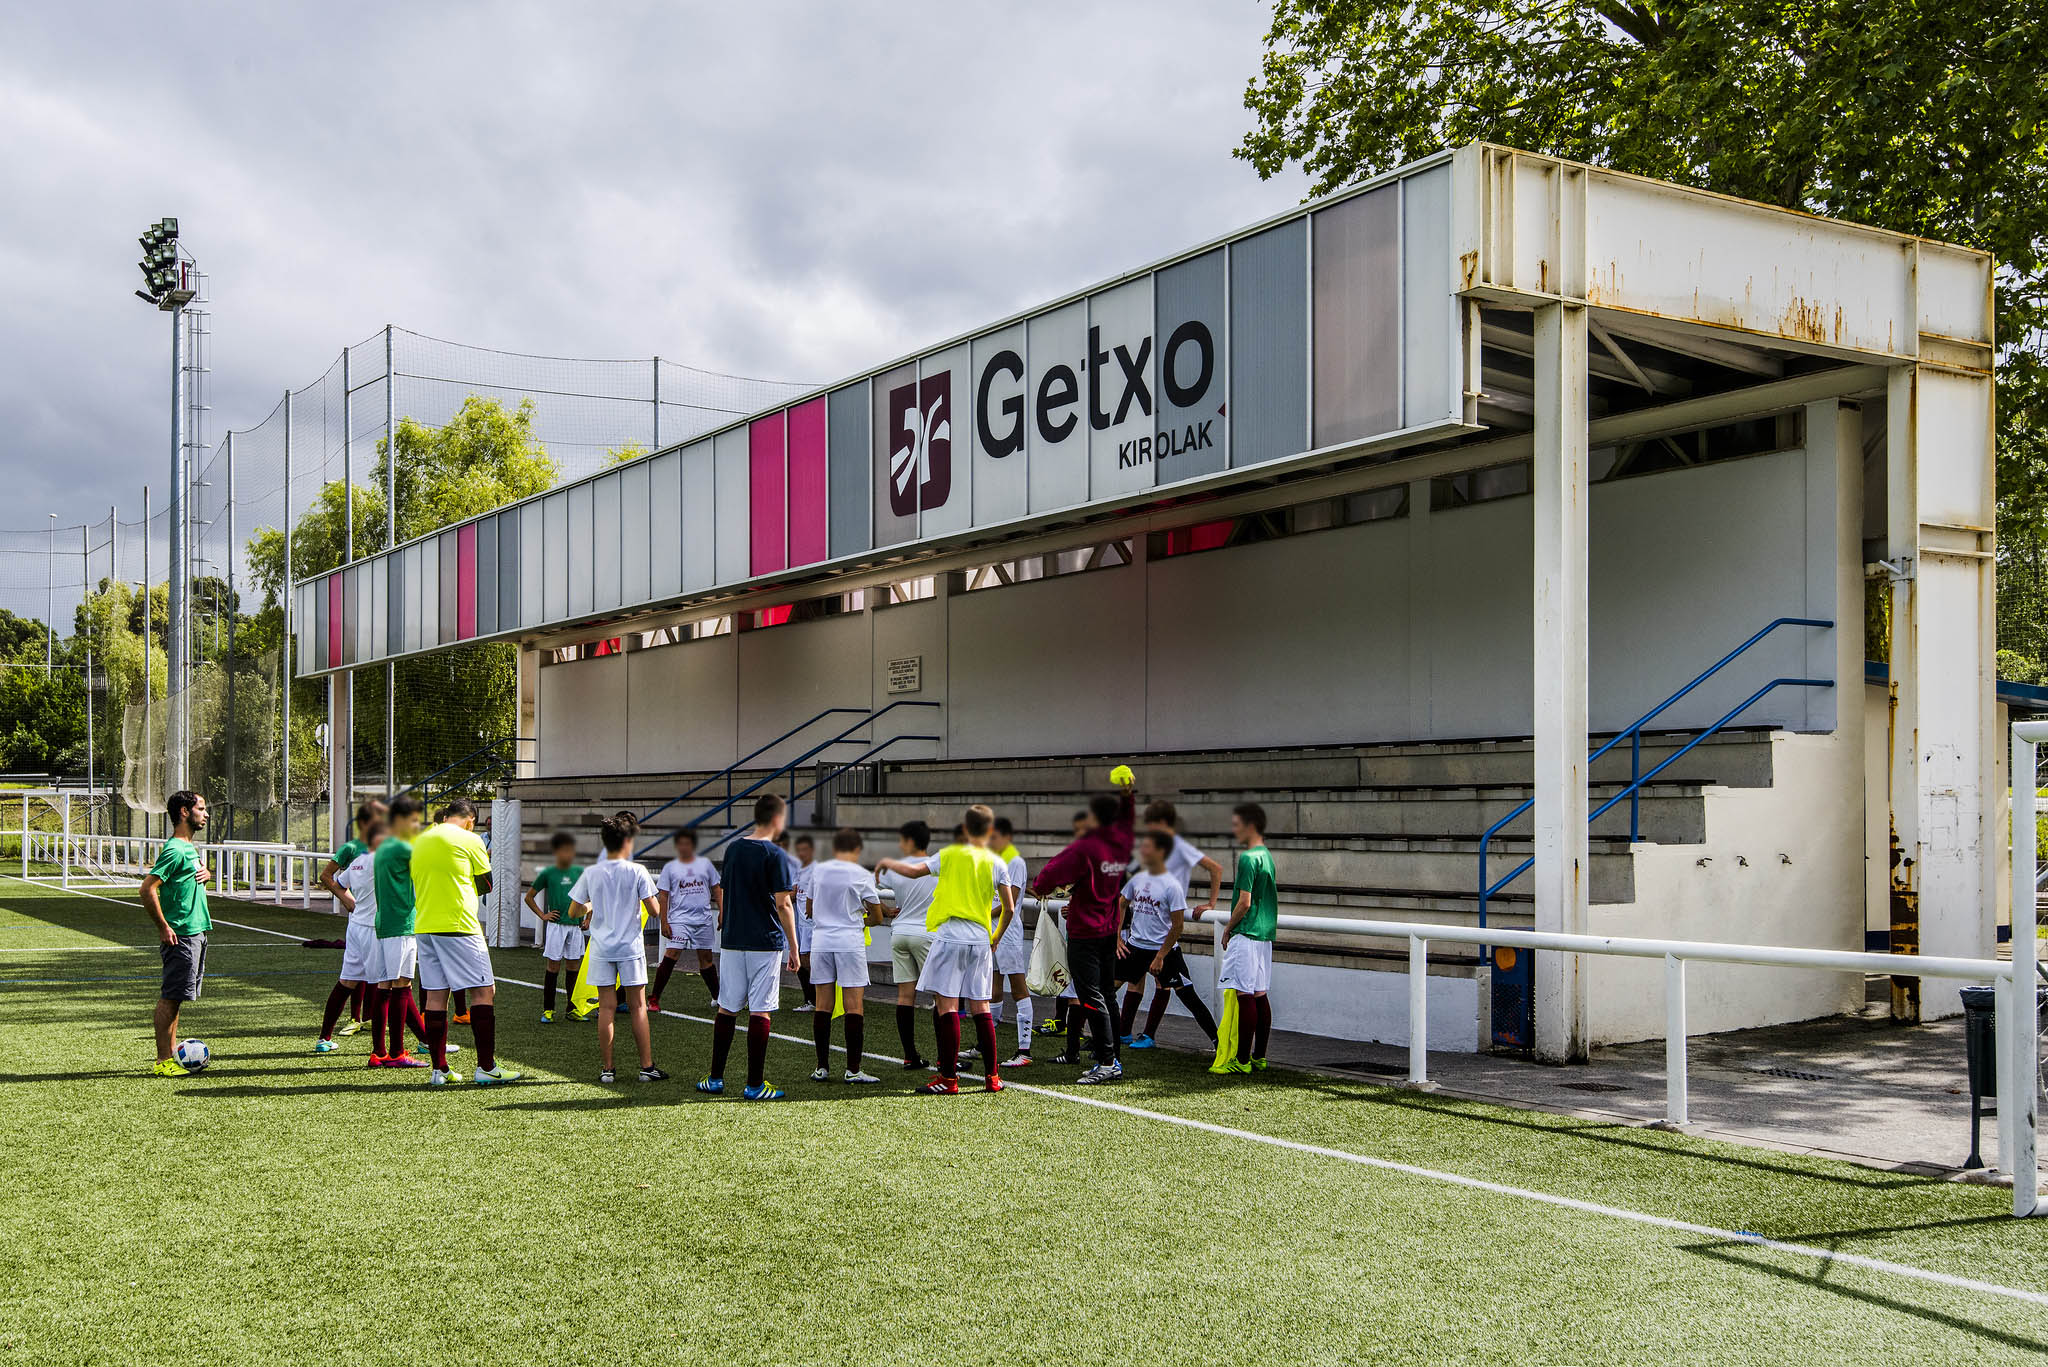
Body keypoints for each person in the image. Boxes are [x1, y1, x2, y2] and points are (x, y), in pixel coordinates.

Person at [877, 804, 1017, 1095]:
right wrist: (997, 935)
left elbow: (915, 871)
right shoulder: (996, 862)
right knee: (981, 1007)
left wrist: (888, 863)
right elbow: (1009, 907)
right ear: (990, 831)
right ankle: (993, 1077)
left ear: (965, 828)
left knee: (948, 1006)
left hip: (950, 935)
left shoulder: (950, 854)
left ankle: (948, 1078)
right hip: (980, 938)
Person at [1029, 777, 1134, 1083]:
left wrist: (1041, 888)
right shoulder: (1119, 844)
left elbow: (1048, 876)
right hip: (1107, 929)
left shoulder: (1085, 848)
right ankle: (1113, 1057)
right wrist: (1128, 796)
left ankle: (1106, 1061)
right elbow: (1128, 822)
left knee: (1091, 997)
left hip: (1086, 932)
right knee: (1108, 996)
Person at [697, 793, 801, 1100]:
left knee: (728, 1007)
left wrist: (727, 925)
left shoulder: (734, 848)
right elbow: (784, 904)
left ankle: (715, 1078)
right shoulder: (776, 854)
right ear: (778, 819)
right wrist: (794, 947)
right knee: (760, 1010)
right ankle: (755, 1085)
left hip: (732, 940)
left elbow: (725, 892)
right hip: (764, 941)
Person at [410, 798, 520, 1086]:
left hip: (424, 925)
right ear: (470, 820)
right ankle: (486, 1066)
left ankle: (440, 1070)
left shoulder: (421, 839)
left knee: (435, 996)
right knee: (484, 991)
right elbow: (486, 884)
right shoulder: (471, 840)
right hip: (459, 925)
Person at [570, 813, 666, 1084]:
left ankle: (607, 1069)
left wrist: (591, 906)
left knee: (606, 1008)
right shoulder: (637, 871)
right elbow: (654, 910)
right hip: (629, 946)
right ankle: (646, 1067)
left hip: (601, 947)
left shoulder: (592, 872)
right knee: (637, 1007)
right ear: (627, 841)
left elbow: (574, 908)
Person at [1116, 829, 1218, 1049]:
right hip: (1135, 947)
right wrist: (1117, 937)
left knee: (1188, 997)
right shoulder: (1138, 879)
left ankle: (1219, 1042)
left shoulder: (1172, 886)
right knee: (1105, 989)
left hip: (1164, 952)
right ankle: (1111, 1037)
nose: (1143, 851)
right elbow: (1121, 904)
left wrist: (1160, 956)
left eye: (1148, 847)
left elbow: (1178, 925)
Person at [804, 827, 884, 1084]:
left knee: (822, 1004)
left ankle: (821, 1067)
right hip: (849, 941)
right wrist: (861, 920)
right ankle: (853, 1069)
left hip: (821, 941)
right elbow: (877, 915)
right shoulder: (861, 874)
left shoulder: (818, 871)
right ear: (857, 849)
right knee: (854, 1005)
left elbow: (809, 908)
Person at [140, 789, 212, 1077]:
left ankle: (170, 1057)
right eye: (201, 809)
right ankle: (162, 1061)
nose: (205, 814)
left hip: (195, 931)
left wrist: (207, 875)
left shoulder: (188, 849)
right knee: (171, 996)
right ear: (185, 812)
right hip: (180, 933)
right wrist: (164, 926)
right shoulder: (174, 849)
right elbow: (147, 888)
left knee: (178, 996)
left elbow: (188, 880)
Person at [369, 796, 433, 1070]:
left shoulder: (384, 846)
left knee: (385, 986)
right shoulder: (404, 847)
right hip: (402, 924)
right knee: (401, 985)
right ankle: (396, 1052)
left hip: (385, 923)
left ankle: (379, 1052)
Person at [316, 799, 387, 1039]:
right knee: (391, 983)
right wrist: (346, 899)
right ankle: (368, 1030)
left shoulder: (379, 852)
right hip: (369, 924)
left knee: (358, 979)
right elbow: (327, 876)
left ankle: (337, 1032)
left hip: (367, 923)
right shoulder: (355, 850)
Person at [1217, 803, 1279, 1075]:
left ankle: (1241, 1060)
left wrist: (1228, 927)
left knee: (1244, 996)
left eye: (1237, 824)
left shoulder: (1247, 857)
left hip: (1247, 932)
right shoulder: (1267, 856)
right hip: (1265, 934)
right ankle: (1259, 1056)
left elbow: (1244, 902)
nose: (1234, 830)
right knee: (1260, 994)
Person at [878, 819, 938, 1070]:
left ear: (911, 841)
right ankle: (946, 1058)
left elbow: (869, 891)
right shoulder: (937, 864)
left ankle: (910, 1055)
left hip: (900, 931)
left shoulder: (894, 868)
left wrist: (885, 910)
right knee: (941, 997)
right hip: (927, 933)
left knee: (905, 996)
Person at [650, 827, 721, 1012]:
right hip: (679, 920)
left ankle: (717, 997)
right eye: (680, 843)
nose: (684, 847)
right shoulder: (670, 868)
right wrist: (664, 922)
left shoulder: (705, 864)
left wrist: (723, 911)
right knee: (672, 954)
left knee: (706, 958)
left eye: (687, 843)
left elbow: (717, 889)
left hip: (703, 919)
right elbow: (663, 896)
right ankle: (654, 998)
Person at [986, 817, 1034, 1068]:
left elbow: (1009, 904)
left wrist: (981, 914)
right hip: (991, 932)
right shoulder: (993, 860)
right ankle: (987, 1043)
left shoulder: (1015, 861)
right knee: (993, 988)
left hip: (1008, 935)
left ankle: (1024, 1050)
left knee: (1018, 988)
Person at [527, 831, 586, 1023]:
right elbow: (529, 897)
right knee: (553, 966)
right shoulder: (548, 873)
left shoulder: (580, 872)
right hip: (556, 926)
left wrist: (588, 918)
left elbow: (590, 897)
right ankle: (548, 1010)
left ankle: (572, 1008)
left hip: (575, 927)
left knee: (573, 966)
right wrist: (543, 915)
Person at [1144, 800, 1223, 919]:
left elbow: (1216, 869)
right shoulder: (1158, 847)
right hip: (1154, 912)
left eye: (1151, 825)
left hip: (1168, 918)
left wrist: (1211, 904)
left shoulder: (1180, 846)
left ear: (1162, 823)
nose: (1149, 830)